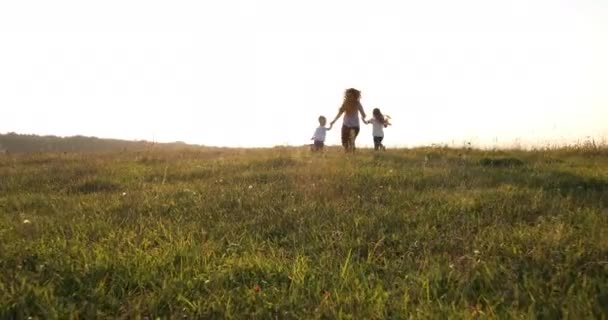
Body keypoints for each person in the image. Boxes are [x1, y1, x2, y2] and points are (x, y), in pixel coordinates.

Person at [329, 88, 366, 152]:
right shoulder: (345, 103)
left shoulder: (357, 104)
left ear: (354, 96)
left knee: (351, 140)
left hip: (355, 126)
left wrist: (363, 117)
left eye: (351, 96)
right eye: (348, 96)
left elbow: (363, 114)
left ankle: (352, 148)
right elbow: (340, 113)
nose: (349, 97)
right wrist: (334, 121)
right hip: (345, 125)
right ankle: (348, 152)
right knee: (344, 142)